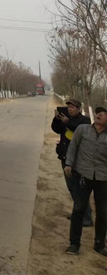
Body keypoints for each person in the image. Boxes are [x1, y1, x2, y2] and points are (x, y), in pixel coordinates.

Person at [65, 106, 107, 257]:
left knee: (103, 213)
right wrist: (69, 164)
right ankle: (74, 243)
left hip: (102, 179)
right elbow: (73, 147)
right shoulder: (82, 130)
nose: (99, 114)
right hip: (83, 176)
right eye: (98, 113)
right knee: (78, 210)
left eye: (103, 113)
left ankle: (100, 244)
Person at [51, 98, 92, 226]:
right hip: (65, 158)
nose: (70, 109)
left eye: (73, 107)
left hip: (78, 160)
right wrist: (56, 119)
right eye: (68, 107)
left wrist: (67, 122)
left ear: (79, 108)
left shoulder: (84, 121)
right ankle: (78, 212)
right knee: (71, 188)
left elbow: (80, 130)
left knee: (79, 189)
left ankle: (87, 217)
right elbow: (56, 130)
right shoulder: (66, 119)